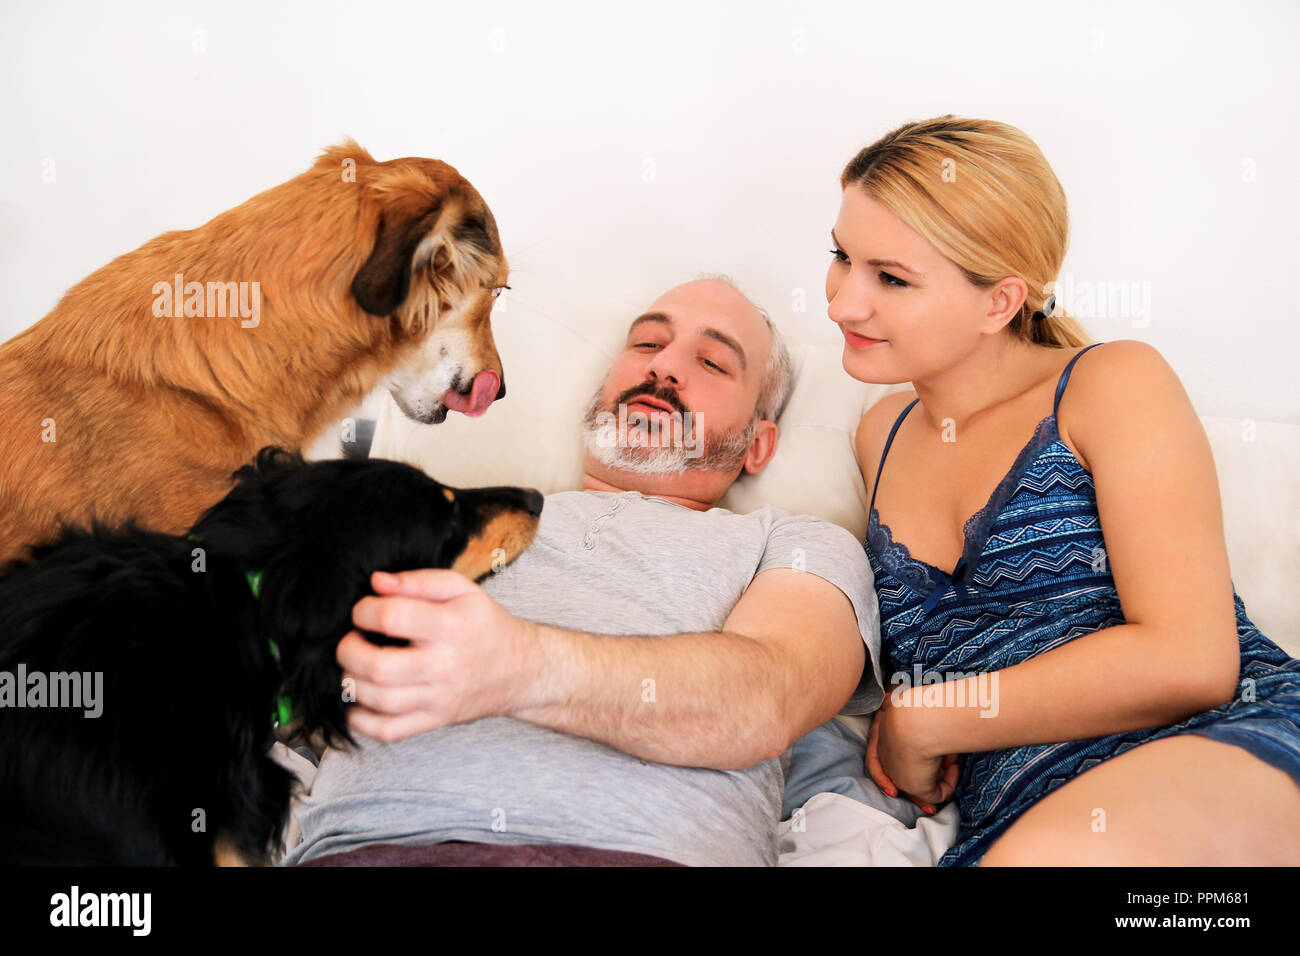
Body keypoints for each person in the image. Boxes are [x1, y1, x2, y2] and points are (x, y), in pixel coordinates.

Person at [279, 276, 887, 867]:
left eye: (711, 362)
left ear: (759, 443)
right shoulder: (434, 514)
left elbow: (769, 698)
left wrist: (519, 667)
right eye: (647, 343)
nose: (664, 367)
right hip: (364, 849)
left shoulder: (794, 544)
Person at [829, 115, 1300, 865]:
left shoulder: (1110, 383)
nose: (842, 303)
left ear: (998, 302)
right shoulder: (878, 434)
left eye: (890, 278)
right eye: (841, 257)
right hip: (1015, 820)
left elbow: (1191, 658)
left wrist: (929, 718)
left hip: (1224, 748)